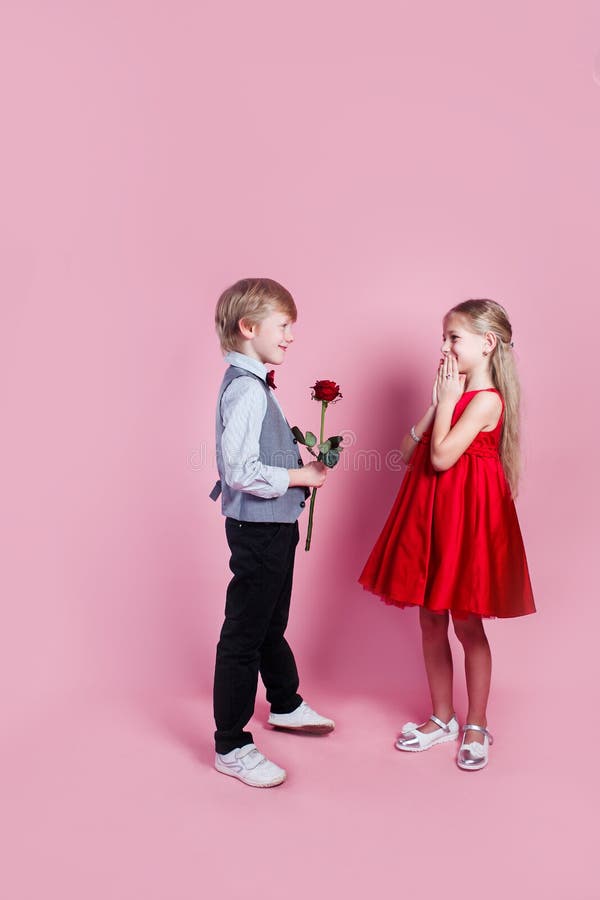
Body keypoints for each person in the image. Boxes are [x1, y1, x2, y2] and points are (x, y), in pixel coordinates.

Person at [359, 299, 535, 771]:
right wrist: (437, 403)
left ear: (487, 343)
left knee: (467, 624)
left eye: (453, 338)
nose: (444, 346)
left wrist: (448, 403)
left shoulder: (486, 401)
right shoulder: (453, 397)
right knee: (430, 619)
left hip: (466, 525)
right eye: (444, 337)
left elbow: (440, 458)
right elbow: (404, 452)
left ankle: (475, 721)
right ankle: (442, 718)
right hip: (431, 520)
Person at [210, 277, 335, 788]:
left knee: (268, 622)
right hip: (258, 530)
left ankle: (284, 703)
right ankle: (231, 744)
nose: (289, 336)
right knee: (244, 633)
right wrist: (300, 476)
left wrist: (299, 461)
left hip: (275, 525)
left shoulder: (257, 385)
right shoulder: (246, 390)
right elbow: (240, 469)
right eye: (283, 326)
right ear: (249, 327)